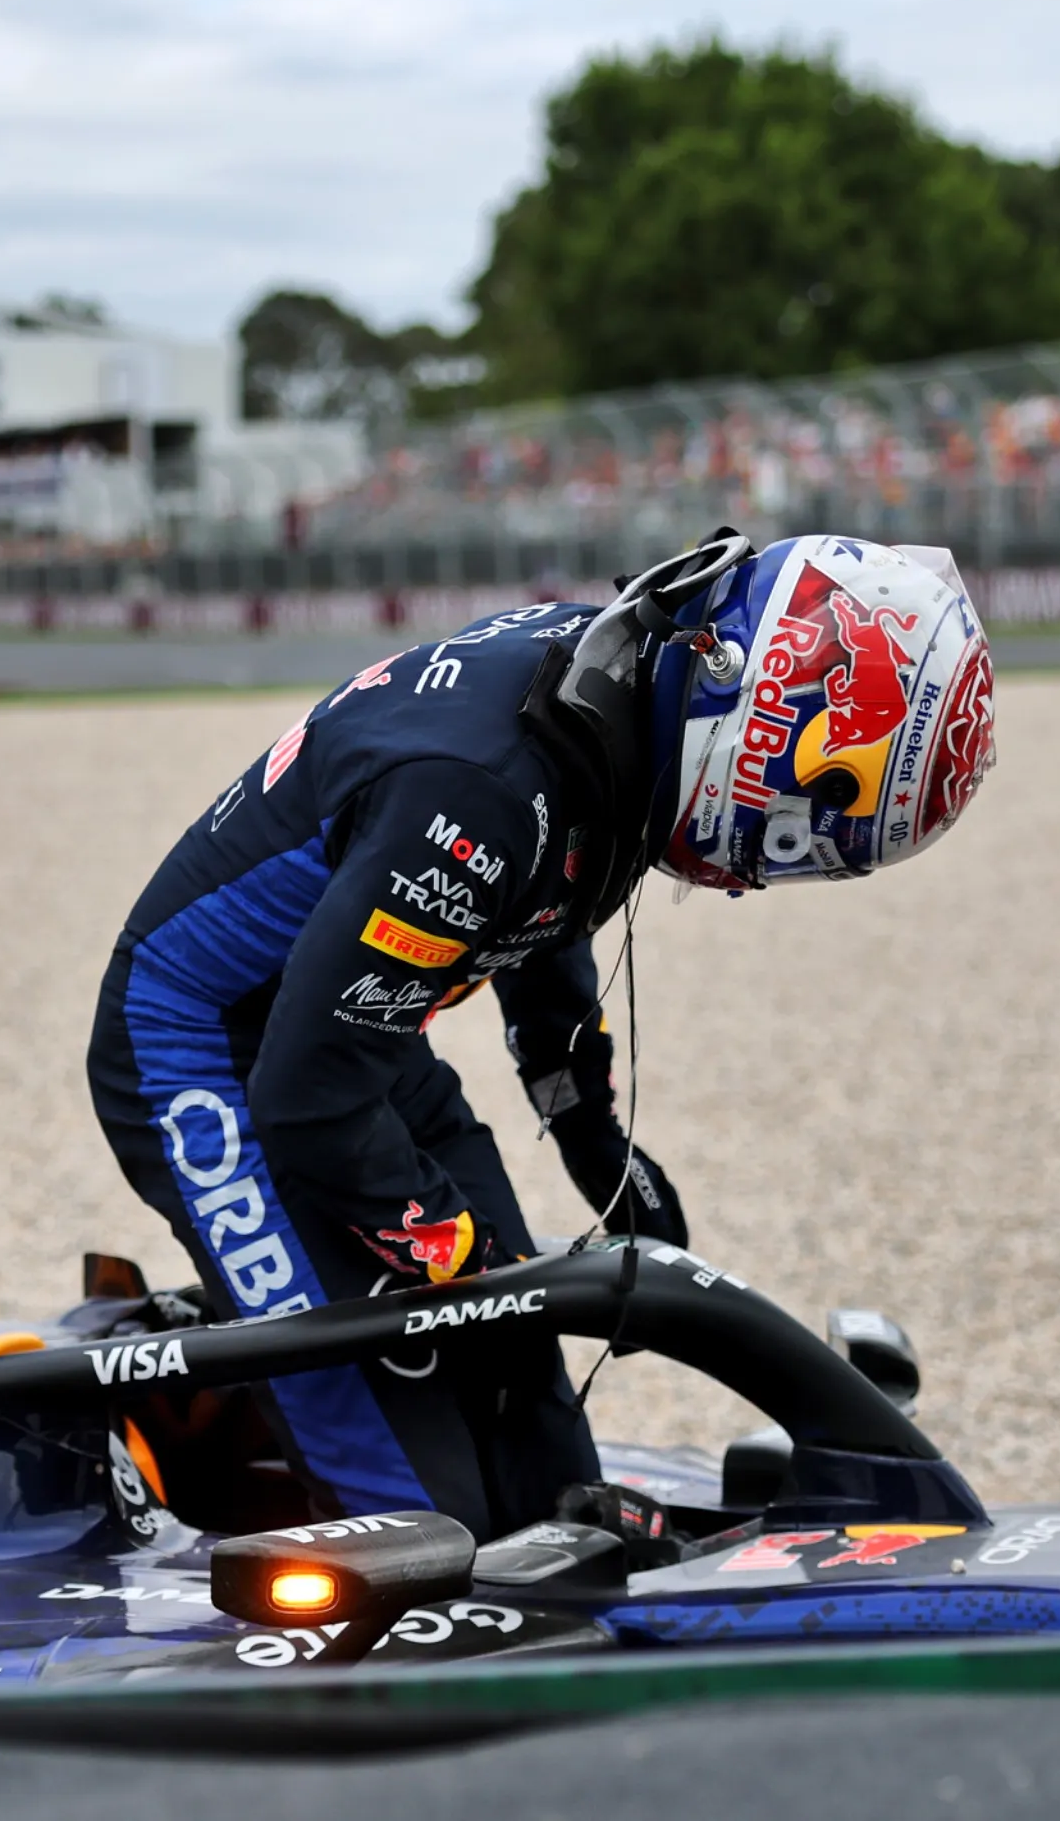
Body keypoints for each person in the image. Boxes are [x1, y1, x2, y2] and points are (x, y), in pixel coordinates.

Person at [87, 532, 997, 1532]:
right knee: (407, 1469)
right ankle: (427, 1639)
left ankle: (550, 1566)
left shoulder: (619, 693)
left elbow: (539, 906)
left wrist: (596, 1148)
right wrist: (457, 1252)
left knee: (515, 1358)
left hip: (349, 1033)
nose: (756, 873)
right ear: (765, 715)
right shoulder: (482, 789)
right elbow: (306, 1100)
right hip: (203, 1049)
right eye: (798, 822)